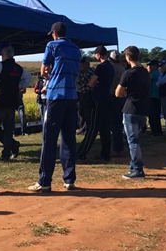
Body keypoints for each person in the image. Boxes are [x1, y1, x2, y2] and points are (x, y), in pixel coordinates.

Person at [29, 22, 80, 193]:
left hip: (55, 96)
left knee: (49, 139)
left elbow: (43, 71)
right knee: (69, 138)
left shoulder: (52, 45)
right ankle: (69, 179)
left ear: (54, 34)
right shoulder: (75, 48)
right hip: (71, 96)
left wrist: (50, 71)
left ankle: (45, 181)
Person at [0, 45, 33, 161]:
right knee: (8, 129)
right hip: (12, 102)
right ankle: (7, 152)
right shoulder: (18, 69)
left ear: (3, 55)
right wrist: (19, 86)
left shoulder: (0, 66)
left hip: (0, 101)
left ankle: (12, 146)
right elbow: (29, 78)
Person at [116, 46, 151, 179]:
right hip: (143, 109)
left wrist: (126, 92)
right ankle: (134, 166)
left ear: (128, 57)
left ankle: (137, 169)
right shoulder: (145, 73)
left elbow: (118, 93)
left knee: (132, 141)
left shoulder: (128, 73)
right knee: (136, 140)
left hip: (130, 109)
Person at [78, 46, 113, 161]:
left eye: (95, 54)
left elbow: (91, 83)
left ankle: (82, 152)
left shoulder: (100, 67)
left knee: (92, 127)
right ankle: (105, 153)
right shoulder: (110, 66)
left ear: (99, 55)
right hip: (107, 97)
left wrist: (94, 83)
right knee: (105, 127)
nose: (95, 56)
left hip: (98, 99)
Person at [109, 50, 126, 156]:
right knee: (121, 122)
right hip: (122, 98)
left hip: (113, 97)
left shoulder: (111, 69)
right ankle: (121, 143)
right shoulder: (123, 69)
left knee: (115, 124)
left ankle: (117, 147)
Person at [76, 56, 96, 134]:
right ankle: (82, 128)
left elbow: (82, 81)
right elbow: (77, 80)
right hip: (81, 93)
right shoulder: (81, 72)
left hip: (88, 94)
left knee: (88, 112)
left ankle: (88, 128)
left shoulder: (90, 71)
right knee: (81, 112)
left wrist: (79, 79)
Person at [146, 60, 163, 136]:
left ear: (155, 66)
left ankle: (155, 131)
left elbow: (148, 80)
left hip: (153, 96)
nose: (149, 67)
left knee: (153, 115)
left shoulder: (154, 73)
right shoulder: (158, 73)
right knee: (155, 115)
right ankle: (157, 130)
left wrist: (148, 72)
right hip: (156, 96)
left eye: (150, 65)